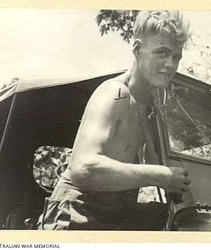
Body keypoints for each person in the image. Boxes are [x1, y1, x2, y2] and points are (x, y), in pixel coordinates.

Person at [37, 10, 191, 230]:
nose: (171, 64)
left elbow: (160, 164)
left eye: (176, 57)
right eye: (162, 53)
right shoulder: (115, 93)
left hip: (115, 214)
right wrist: (160, 176)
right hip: (75, 214)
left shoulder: (151, 105)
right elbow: (83, 168)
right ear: (137, 49)